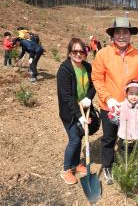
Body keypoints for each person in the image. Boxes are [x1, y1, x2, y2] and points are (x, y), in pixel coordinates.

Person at [92, 17, 138, 185]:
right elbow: (97, 78)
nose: (122, 36)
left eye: (125, 32)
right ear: (113, 35)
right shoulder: (103, 54)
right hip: (110, 106)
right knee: (109, 137)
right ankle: (108, 166)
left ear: (130, 35)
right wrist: (107, 98)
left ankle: (130, 165)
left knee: (132, 136)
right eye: (118, 32)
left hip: (132, 106)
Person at [57, 38, 96, 185]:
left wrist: (88, 98)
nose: (78, 54)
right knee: (74, 138)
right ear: (69, 52)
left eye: (82, 51)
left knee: (79, 136)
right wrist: (79, 116)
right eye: (75, 51)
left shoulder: (87, 67)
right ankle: (66, 169)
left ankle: (76, 164)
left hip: (84, 107)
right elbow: (67, 97)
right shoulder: (64, 70)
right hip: (69, 111)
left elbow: (94, 85)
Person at [108, 81, 138, 155]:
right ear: (126, 94)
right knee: (124, 155)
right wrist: (112, 117)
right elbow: (117, 121)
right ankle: (124, 166)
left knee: (136, 154)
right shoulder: (122, 107)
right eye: (131, 93)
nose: (134, 96)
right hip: (124, 137)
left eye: (137, 94)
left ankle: (136, 166)